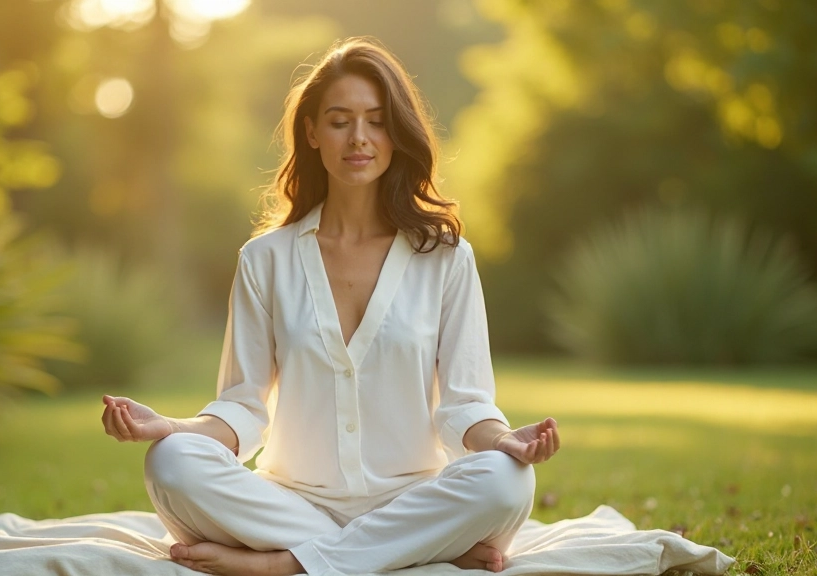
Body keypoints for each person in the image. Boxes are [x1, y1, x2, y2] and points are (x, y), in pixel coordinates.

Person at [100, 37, 560, 576]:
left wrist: (506, 440)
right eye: (340, 121)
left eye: (376, 120)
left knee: (506, 480)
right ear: (313, 133)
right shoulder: (264, 259)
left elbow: (464, 405)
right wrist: (170, 428)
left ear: (396, 132)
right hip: (291, 505)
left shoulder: (446, 259)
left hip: (415, 500)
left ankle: (286, 566)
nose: (359, 138)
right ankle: (418, 552)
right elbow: (244, 408)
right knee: (172, 464)